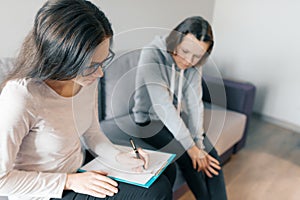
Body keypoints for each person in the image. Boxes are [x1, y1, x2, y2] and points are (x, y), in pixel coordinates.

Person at [0, 0, 174, 199]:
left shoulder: (86, 80)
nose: (99, 73)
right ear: (60, 57)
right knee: (155, 192)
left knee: (167, 171)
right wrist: (70, 181)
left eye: (103, 61)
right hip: (46, 191)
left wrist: (119, 157)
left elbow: (92, 133)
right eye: (91, 65)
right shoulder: (21, 96)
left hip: (78, 169)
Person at [132, 16, 227, 200]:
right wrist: (192, 149)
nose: (188, 60)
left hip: (176, 116)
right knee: (187, 155)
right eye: (185, 51)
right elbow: (163, 106)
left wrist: (199, 145)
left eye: (197, 56)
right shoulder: (151, 53)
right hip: (148, 121)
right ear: (176, 39)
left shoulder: (194, 63)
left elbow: (194, 103)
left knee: (210, 153)